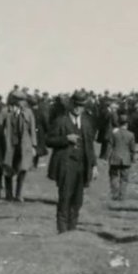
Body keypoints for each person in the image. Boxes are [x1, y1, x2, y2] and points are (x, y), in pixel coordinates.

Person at [46, 91, 97, 233]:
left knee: (78, 200)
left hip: (82, 166)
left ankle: (72, 229)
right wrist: (65, 139)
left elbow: (90, 146)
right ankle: (62, 230)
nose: (78, 108)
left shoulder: (86, 122)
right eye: (76, 105)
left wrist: (94, 165)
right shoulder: (60, 121)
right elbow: (48, 140)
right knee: (65, 198)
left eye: (81, 106)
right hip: (65, 165)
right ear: (71, 105)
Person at [1, 90, 37, 202]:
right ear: (14, 101)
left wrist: (34, 146)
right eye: (21, 100)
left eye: (24, 100)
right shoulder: (4, 112)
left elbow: (32, 130)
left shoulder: (28, 112)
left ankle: (19, 194)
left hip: (24, 146)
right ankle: (8, 194)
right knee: (8, 169)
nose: (23, 102)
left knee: (23, 169)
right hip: (9, 145)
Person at [106, 113, 136, 202]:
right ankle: (122, 195)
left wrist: (107, 156)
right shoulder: (131, 135)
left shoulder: (114, 133)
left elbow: (109, 145)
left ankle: (114, 193)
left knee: (113, 176)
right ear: (127, 124)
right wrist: (132, 158)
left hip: (115, 157)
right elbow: (132, 148)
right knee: (124, 178)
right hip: (126, 158)